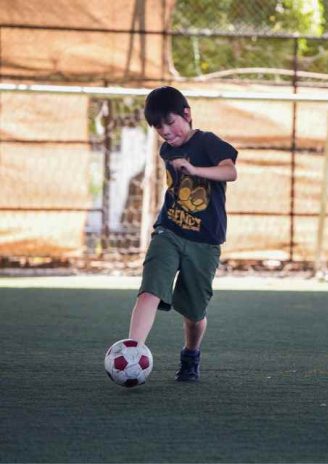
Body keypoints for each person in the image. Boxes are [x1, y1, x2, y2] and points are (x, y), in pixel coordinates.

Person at [128, 86, 238, 382]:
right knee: (150, 289)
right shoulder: (167, 150)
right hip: (169, 230)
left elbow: (230, 172)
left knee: (194, 314)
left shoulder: (208, 142)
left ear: (186, 115)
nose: (165, 131)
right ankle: (132, 352)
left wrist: (195, 169)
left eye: (170, 122)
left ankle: (191, 354)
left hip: (205, 241)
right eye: (158, 127)